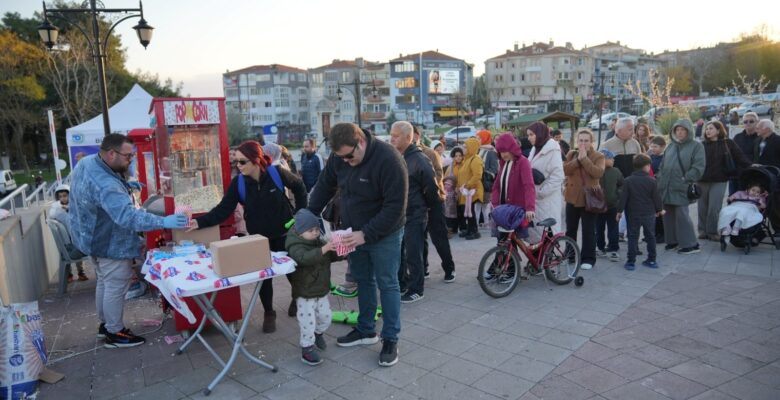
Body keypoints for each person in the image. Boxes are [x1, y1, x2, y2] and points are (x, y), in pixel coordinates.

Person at [69, 134, 189, 348]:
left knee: (104, 282)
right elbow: (129, 217)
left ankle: (105, 325)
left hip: (89, 237)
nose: (131, 160)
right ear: (111, 153)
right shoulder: (107, 185)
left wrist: (124, 185)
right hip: (109, 243)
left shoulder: (87, 162)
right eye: (127, 156)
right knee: (116, 284)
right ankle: (115, 332)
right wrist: (164, 221)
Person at [307, 123, 408, 367]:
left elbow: (396, 207)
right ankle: (366, 329)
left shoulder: (389, 160)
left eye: (349, 157)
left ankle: (390, 339)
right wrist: (308, 215)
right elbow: (324, 185)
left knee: (388, 283)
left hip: (385, 232)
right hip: (353, 231)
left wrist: (367, 233)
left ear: (360, 142)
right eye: (341, 158)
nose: (346, 162)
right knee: (362, 280)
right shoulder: (340, 156)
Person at [188, 140, 307, 333]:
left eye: (242, 162)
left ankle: (297, 298)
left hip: (285, 234)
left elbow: (299, 186)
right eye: (236, 161)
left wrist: (301, 215)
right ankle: (269, 313)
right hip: (258, 240)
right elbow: (223, 209)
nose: (238, 166)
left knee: (293, 271)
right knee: (264, 278)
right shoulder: (239, 183)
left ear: (256, 160)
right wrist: (199, 222)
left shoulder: (276, 173)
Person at [390, 122, 440, 303]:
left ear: (408, 137)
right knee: (399, 252)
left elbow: (432, 187)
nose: (391, 139)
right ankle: (402, 283)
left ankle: (416, 289)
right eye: (391, 135)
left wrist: (425, 207)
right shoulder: (396, 157)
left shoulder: (419, 159)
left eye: (395, 136)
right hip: (399, 215)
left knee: (413, 253)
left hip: (415, 213)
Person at [285, 209, 336, 366]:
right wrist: (324, 249)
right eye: (310, 230)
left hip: (321, 289)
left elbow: (330, 256)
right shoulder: (295, 245)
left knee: (326, 317)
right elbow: (304, 258)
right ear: (300, 232)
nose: (315, 233)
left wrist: (341, 250)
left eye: (316, 229)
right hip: (305, 292)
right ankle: (307, 348)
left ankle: (318, 333)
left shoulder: (318, 241)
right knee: (307, 321)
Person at [413, 125, 455, 283]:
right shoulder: (401, 154)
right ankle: (424, 268)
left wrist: (425, 191)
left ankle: (449, 268)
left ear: (417, 136)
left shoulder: (430, 153)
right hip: (415, 204)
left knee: (439, 237)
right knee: (418, 238)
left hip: (433, 200)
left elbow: (438, 175)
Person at [657, 119, 706, 255]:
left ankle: (691, 244)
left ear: (688, 131)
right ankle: (672, 241)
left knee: (682, 215)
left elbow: (698, 166)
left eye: (683, 130)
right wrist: (660, 177)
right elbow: (662, 164)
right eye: (677, 130)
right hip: (666, 186)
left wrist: (686, 178)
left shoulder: (696, 146)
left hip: (681, 186)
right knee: (668, 215)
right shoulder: (671, 146)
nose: (679, 132)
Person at [698, 121, 751, 241]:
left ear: (718, 130)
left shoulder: (728, 143)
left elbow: (739, 156)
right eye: (707, 129)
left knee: (714, 207)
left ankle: (712, 232)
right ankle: (702, 231)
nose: (708, 131)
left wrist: (751, 165)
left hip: (720, 179)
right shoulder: (701, 145)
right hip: (702, 180)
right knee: (702, 207)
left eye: (711, 128)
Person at [563, 128, 606, 270]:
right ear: (577, 141)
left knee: (588, 230)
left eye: (586, 140)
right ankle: (570, 255)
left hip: (589, 198)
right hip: (572, 197)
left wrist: (585, 159)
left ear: (591, 141)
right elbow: (565, 170)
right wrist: (577, 160)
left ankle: (588, 258)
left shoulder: (598, 156)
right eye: (580, 140)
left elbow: (598, 173)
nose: (583, 143)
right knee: (570, 229)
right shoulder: (571, 154)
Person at [617, 154, 664, 271]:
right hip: (649, 213)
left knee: (633, 237)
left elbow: (623, 198)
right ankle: (652, 260)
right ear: (647, 166)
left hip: (633, 213)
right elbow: (656, 198)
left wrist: (619, 211)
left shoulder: (628, 181)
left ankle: (631, 262)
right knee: (650, 236)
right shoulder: (652, 181)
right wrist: (659, 209)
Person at [527, 121, 564, 243]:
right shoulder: (535, 148)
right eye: (528, 135)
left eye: (531, 134)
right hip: (535, 198)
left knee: (547, 235)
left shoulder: (553, 149)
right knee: (536, 237)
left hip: (547, 200)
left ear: (539, 134)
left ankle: (549, 255)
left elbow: (558, 176)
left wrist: (541, 192)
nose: (529, 138)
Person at [490, 133, 536, 227]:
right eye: (501, 152)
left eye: (505, 151)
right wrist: (495, 206)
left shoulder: (523, 162)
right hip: (502, 212)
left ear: (512, 149)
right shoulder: (503, 163)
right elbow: (496, 187)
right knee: (500, 236)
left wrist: (530, 208)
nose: (503, 154)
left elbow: (529, 186)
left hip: (517, 212)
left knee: (518, 235)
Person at [49, 184, 87, 282]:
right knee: (69, 251)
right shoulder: (56, 207)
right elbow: (51, 215)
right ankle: (69, 274)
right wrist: (61, 208)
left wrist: (69, 208)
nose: (63, 198)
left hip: (76, 235)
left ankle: (81, 272)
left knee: (80, 248)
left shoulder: (75, 205)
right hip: (66, 237)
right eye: (60, 196)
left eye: (65, 196)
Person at [595, 149, 623, 262]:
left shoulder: (616, 171)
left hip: (612, 205)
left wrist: (617, 195)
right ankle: (600, 247)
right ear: (603, 159)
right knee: (599, 228)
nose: (613, 160)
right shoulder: (596, 171)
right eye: (611, 158)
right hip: (598, 206)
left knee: (613, 227)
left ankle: (613, 248)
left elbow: (622, 185)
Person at [753, 119, 780, 232]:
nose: (756, 129)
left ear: (767, 129)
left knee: (775, 202)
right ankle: (757, 228)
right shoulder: (757, 140)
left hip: (775, 176)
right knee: (759, 201)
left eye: (759, 127)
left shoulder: (777, 140)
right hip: (760, 176)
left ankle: (778, 228)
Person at [457, 137, 485, 240]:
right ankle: (470, 230)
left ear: (471, 148)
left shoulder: (475, 159)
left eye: (465, 147)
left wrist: (467, 185)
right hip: (466, 191)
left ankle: (474, 231)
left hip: (472, 191)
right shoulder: (467, 159)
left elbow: (477, 175)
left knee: (470, 210)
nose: (463, 149)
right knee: (468, 210)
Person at [730, 112, 760, 194]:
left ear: (757, 122)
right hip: (737, 175)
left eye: (751, 121)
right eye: (745, 121)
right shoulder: (737, 137)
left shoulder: (761, 137)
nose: (748, 123)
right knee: (733, 199)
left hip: (755, 176)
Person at [476, 130, 498, 228]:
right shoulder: (478, 149)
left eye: (479, 138)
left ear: (484, 138)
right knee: (476, 204)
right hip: (477, 182)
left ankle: (487, 223)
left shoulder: (491, 151)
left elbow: (494, 168)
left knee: (485, 204)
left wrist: (484, 174)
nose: (477, 140)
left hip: (485, 182)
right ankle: (476, 223)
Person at [445, 147, 466, 235]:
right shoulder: (450, 167)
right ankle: (453, 228)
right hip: (452, 193)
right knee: (452, 210)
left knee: (461, 210)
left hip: (463, 191)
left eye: (460, 155)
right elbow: (446, 179)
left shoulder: (465, 165)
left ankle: (463, 228)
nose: (458, 158)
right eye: (456, 156)